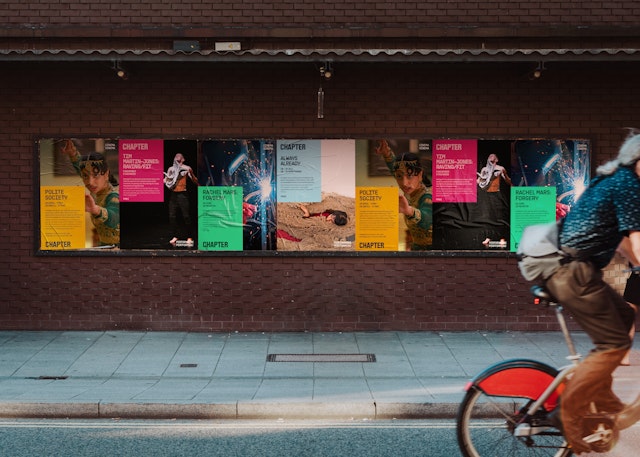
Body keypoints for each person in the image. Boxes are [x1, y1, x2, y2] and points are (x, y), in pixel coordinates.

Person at [543, 131, 640, 454]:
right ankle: (567, 410)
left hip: (571, 268)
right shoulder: (628, 184)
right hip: (572, 271)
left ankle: (602, 400)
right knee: (613, 342)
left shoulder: (613, 178)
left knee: (625, 315)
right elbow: (637, 241)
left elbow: (625, 242)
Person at [60, 139, 120, 247]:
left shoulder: (114, 195)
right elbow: (81, 168)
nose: (90, 182)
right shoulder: (98, 188)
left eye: (96, 175)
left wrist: (95, 210)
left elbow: (115, 216)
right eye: (85, 176)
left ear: (106, 174)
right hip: (105, 246)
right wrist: (72, 153)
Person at [375, 139, 433, 250]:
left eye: (410, 176)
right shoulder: (410, 190)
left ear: (420, 175)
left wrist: (409, 211)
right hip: (416, 249)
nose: (404, 183)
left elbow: (427, 218)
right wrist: (387, 153)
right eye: (399, 177)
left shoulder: (427, 196)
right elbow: (394, 168)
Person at [164, 153, 198, 245]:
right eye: (176, 156)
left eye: (180, 156)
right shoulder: (171, 169)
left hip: (183, 194)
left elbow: (195, 181)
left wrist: (191, 172)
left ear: (183, 159)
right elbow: (166, 180)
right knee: (172, 216)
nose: (177, 157)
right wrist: (167, 180)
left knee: (186, 216)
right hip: (173, 194)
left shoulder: (186, 168)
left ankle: (189, 236)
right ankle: (175, 235)